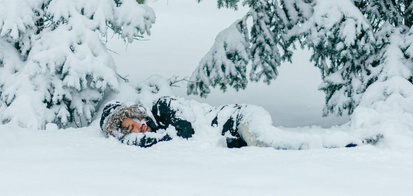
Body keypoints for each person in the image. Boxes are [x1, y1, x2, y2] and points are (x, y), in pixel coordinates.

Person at [100, 96, 359, 149]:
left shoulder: (163, 106)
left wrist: (145, 140)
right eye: (130, 132)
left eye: (132, 123)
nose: (138, 129)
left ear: (134, 113)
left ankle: (334, 145)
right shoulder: (154, 131)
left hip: (240, 117)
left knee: (270, 143)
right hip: (235, 134)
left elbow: (185, 133)